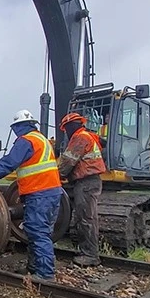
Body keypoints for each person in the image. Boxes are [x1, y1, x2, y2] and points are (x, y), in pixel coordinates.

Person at [0, 109, 62, 280]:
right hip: (52, 192)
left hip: (39, 193)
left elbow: (8, 163)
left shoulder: (26, 141)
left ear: (19, 127)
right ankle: (34, 268)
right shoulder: (42, 139)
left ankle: (45, 274)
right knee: (41, 231)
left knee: (38, 232)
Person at [58, 112, 107, 267]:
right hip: (86, 181)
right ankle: (86, 251)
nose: (66, 131)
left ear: (72, 126)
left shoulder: (80, 137)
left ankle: (90, 255)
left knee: (86, 218)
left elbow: (68, 162)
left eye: (66, 128)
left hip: (86, 182)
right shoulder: (89, 136)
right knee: (85, 217)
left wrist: (54, 176)